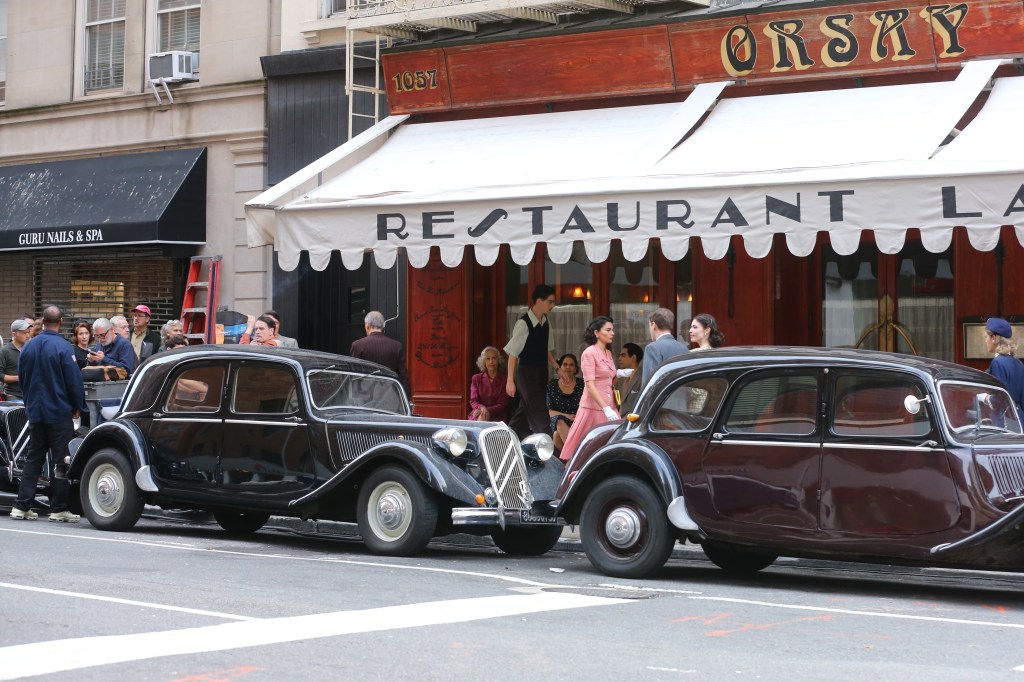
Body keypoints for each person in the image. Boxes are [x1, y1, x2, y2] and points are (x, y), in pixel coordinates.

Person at [10, 305, 87, 522]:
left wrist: (30, 402)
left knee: (34, 457)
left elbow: (22, 379)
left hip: (36, 410)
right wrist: (78, 405)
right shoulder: (63, 347)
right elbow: (73, 381)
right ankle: (58, 508)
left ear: (42, 321)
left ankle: (21, 505)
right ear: (60, 322)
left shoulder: (28, 347)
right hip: (58, 411)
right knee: (61, 460)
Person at [559, 317, 620, 461]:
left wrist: (621, 373)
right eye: (608, 330)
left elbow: (609, 379)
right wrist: (606, 408)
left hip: (609, 405)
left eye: (613, 330)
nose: (613, 333)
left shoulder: (608, 353)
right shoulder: (589, 353)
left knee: (610, 445)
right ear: (597, 333)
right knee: (580, 452)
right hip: (593, 408)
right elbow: (590, 385)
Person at [504, 284, 559, 437]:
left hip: (541, 374)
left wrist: (557, 368)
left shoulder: (546, 322)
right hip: (527, 375)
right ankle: (552, 453)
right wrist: (510, 380)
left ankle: (504, 440)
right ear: (539, 301)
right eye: (550, 302)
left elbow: (546, 350)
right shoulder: (524, 324)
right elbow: (513, 354)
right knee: (541, 415)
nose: (552, 306)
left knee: (522, 414)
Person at [350, 311, 410, 392]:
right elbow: (404, 376)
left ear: (367, 326)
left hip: (365, 396)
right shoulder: (397, 346)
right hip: (390, 395)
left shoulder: (357, 345)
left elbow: (354, 375)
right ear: (383, 325)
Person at [984, 317, 1024, 414]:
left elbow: (999, 400)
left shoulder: (997, 362)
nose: (985, 341)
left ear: (993, 337)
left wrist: (984, 397)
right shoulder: (1019, 363)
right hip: (1019, 419)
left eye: (986, 337)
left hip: (1004, 419)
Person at [641, 307, 689, 387]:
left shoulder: (652, 348)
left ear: (653, 325)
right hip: (684, 398)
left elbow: (649, 383)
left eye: (649, 325)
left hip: (663, 399)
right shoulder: (684, 348)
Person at [546, 353, 584, 451]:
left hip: (579, 421)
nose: (568, 367)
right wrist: (565, 415)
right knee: (558, 421)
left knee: (557, 436)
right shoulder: (551, 387)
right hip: (559, 422)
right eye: (565, 364)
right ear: (559, 367)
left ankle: (570, 460)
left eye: (571, 365)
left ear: (575, 369)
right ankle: (575, 455)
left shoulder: (583, 384)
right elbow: (549, 411)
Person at [468, 346, 511, 422]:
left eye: (494, 358)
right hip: (478, 413)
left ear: (498, 360)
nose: (491, 361)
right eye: (488, 358)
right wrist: (481, 408)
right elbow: (473, 400)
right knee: (481, 418)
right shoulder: (476, 378)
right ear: (484, 361)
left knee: (483, 417)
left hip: (498, 416)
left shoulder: (505, 380)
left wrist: (485, 410)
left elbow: (502, 404)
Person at [1, 319, 33, 401]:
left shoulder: (31, 349)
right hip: (14, 396)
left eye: (28, 332)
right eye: (24, 333)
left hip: (32, 395)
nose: (28, 335)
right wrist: (19, 377)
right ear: (14, 334)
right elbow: (0, 375)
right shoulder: (5, 351)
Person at [616, 342, 644, 415]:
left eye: (623, 356)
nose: (619, 359)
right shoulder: (623, 378)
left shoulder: (642, 377)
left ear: (633, 357)